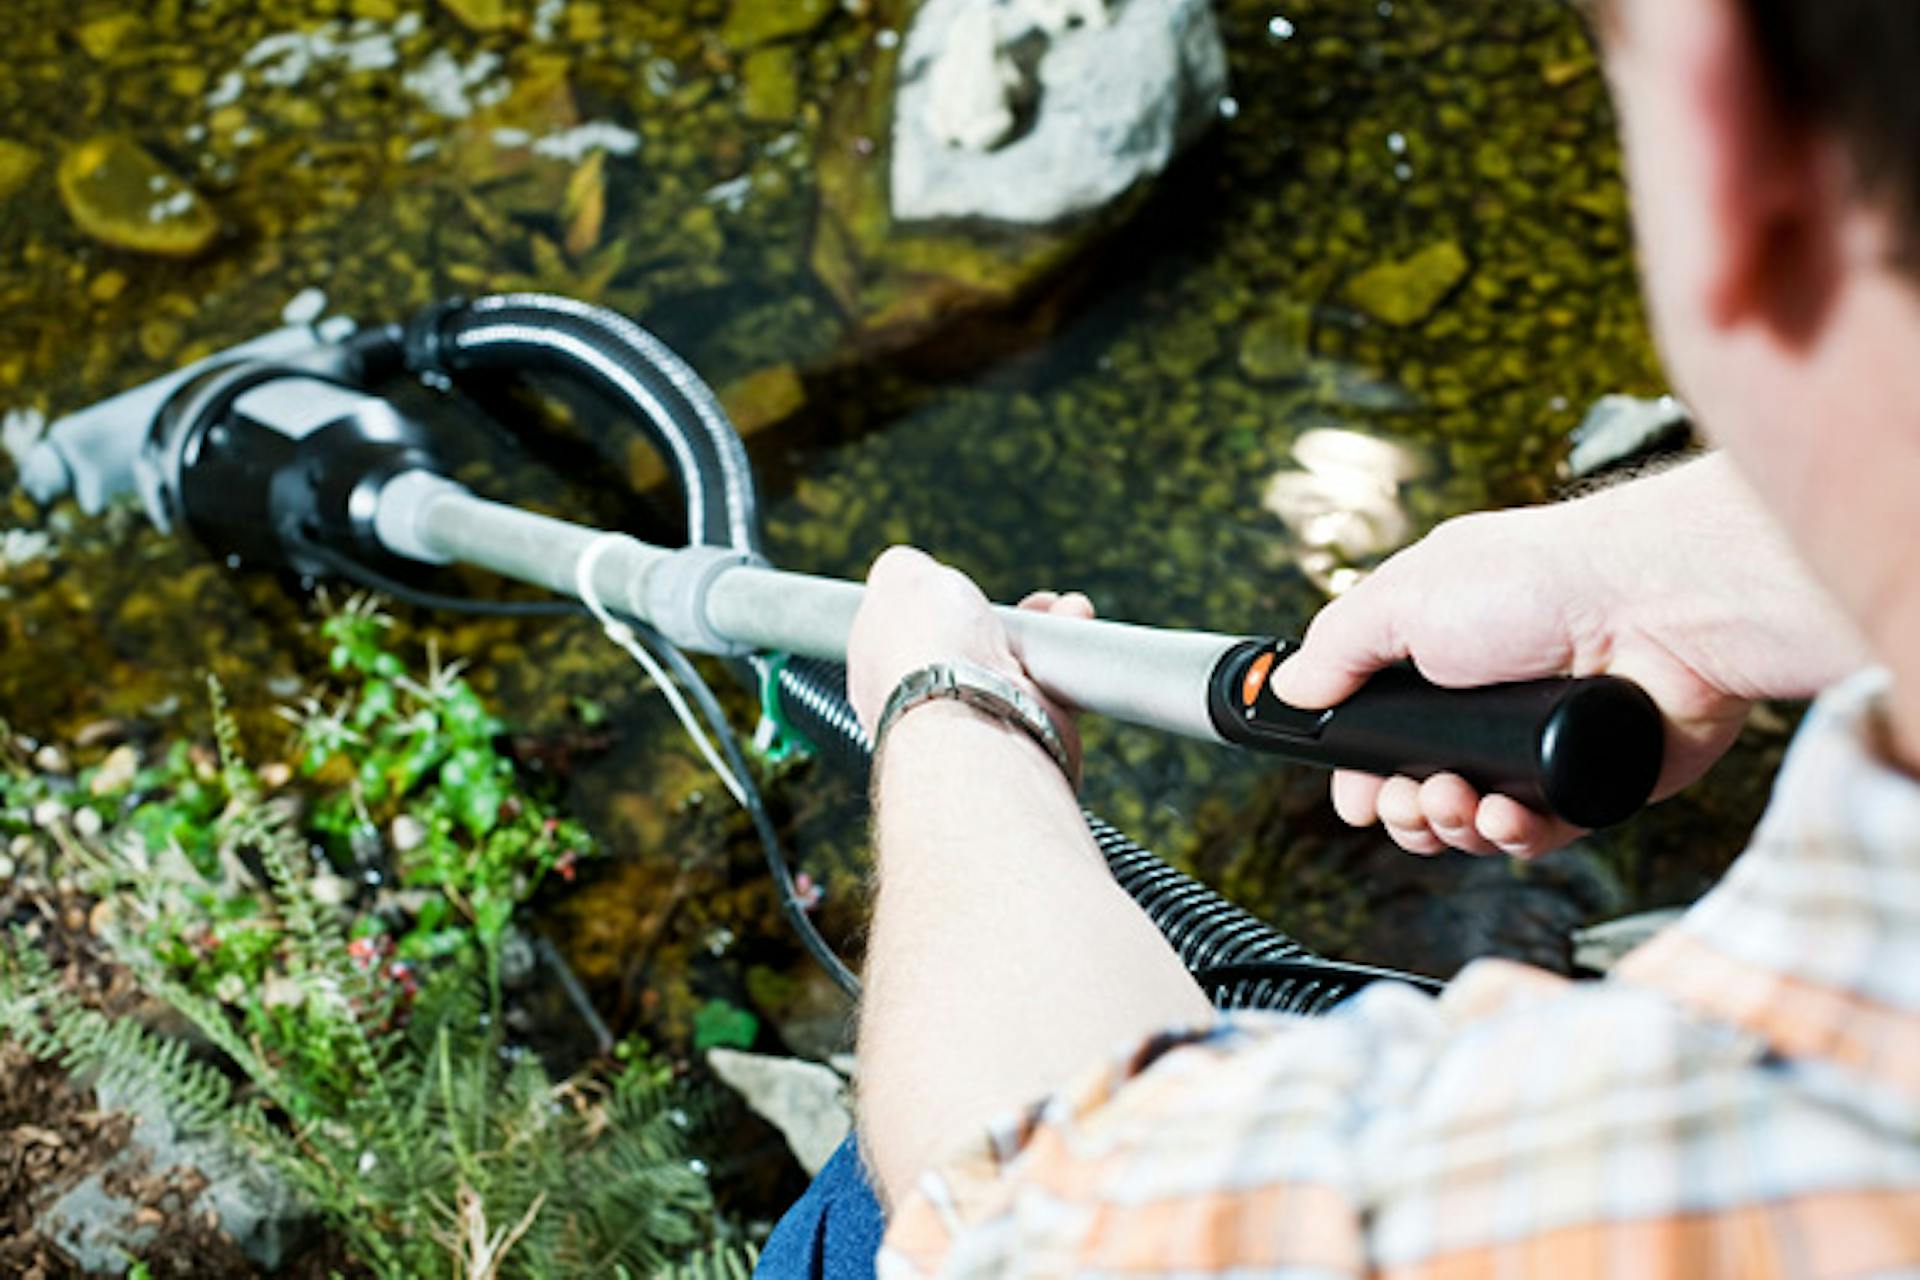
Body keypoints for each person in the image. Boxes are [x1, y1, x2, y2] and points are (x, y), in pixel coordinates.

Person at [758, 0, 1920, 1273]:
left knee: (863, 1223)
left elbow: (1029, 1200)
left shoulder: (1800, 1128)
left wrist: (947, 712)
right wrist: (1673, 583)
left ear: (1728, 134)